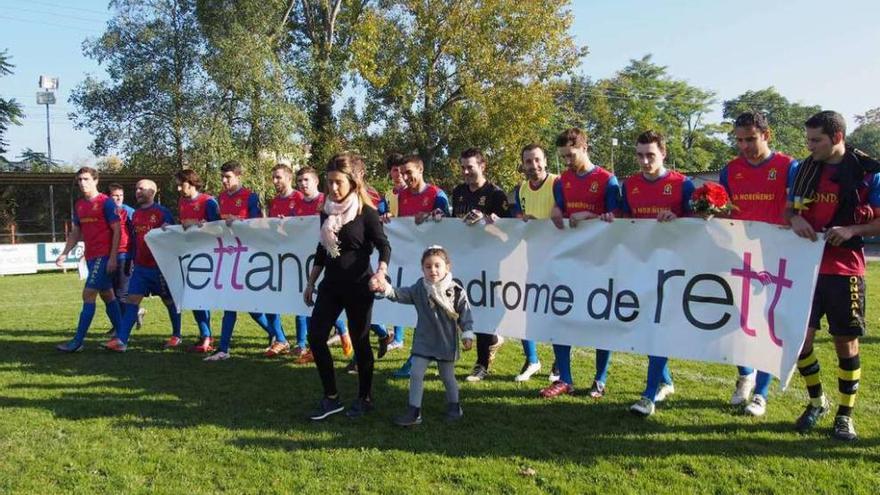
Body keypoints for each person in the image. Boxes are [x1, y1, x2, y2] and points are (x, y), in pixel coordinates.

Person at [787, 110, 880, 441]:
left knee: (846, 342)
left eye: (817, 140)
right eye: (808, 139)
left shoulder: (869, 173)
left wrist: (853, 228)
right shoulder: (804, 169)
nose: (810, 146)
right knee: (800, 341)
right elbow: (790, 209)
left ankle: (845, 414)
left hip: (846, 270)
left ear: (837, 138)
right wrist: (795, 219)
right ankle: (816, 402)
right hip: (806, 269)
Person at [719, 111, 799, 416]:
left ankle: (761, 393)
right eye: (739, 140)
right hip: (738, 257)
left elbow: (796, 209)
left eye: (750, 139)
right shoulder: (730, 170)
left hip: (777, 259)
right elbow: (725, 210)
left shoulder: (788, 166)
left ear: (766, 135)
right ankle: (745, 375)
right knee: (738, 323)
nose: (744, 146)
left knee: (769, 325)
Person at [610, 131, 692, 416]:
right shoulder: (629, 185)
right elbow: (622, 218)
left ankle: (648, 396)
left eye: (651, 155)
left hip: (674, 270)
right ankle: (665, 381)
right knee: (646, 327)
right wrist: (612, 217)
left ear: (663, 154)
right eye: (640, 155)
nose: (644, 161)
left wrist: (679, 219)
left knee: (659, 327)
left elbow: (699, 225)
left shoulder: (682, 185)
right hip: (640, 266)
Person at [304, 153, 391, 421]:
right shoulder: (326, 211)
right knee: (316, 336)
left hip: (359, 286)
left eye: (338, 182)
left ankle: (364, 398)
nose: (333, 188)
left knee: (360, 341)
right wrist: (311, 282)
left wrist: (381, 272)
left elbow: (383, 245)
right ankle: (331, 398)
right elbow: (322, 248)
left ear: (352, 182)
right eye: (329, 182)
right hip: (331, 285)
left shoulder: (366, 213)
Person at [542, 128, 620, 399]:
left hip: (599, 262)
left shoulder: (607, 180)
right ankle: (564, 378)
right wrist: (555, 210)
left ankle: (599, 379)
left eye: (570, 155)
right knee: (561, 315)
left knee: (600, 320)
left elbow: (618, 218)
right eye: (562, 156)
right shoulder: (562, 180)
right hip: (569, 261)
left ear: (584, 148)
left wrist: (592, 215)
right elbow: (560, 207)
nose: (566, 161)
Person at [372, 246, 474, 426]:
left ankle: (454, 406)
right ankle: (414, 412)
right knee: (416, 373)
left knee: (447, 376)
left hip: (446, 341)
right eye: (428, 266)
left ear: (447, 267)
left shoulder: (455, 290)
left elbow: (465, 312)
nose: (433, 270)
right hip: (424, 340)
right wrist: (385, 289)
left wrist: (467, 333)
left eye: (437, 266)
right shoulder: (420, 287)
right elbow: (400, 294)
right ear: (422, 268)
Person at [205, 160, 284, 361]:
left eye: (228, 177)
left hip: (250, 257)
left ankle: (280, 337)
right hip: (229, 257)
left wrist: (240, 222)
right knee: (230, 304)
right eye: (222, 177)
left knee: (257, 307)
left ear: (239, 177)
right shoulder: (220, 198)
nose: (224, 181)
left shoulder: (250, 197)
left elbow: (258, 225)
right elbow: (215, 224)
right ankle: (223, 349)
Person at [389, 154, 452, 378]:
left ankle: (419, 359)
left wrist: (436, 215)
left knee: (432, 315)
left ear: (421, 169)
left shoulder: (437, 194)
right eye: (402, 173)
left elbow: (448, 220)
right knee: (421, 314)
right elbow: (400, 224)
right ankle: (419, 358)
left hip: (434, 269)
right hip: (411, 262)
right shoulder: (402, 195)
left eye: (409, 172)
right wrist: (389, 219)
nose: (405, 177)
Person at [450, 147, 509, 382]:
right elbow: (454, 223)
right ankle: (494, 340)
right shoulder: (458, 192)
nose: (465, 171)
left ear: (482, 166)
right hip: (463, 259)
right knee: (459, 307)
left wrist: (491, 222)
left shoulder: (495, 194)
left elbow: (508, 233)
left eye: (470, 167)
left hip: (489, 262)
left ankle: (481, 364)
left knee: (483, 310)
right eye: (463, 167)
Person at [101, 180, 178, 351]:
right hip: (140, 267)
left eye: (141, 189)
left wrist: (169, 229)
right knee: (131, 301)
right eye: (136, 189)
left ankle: (176, 336)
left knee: (169, 301)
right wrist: (132, 259)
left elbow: (174, 235)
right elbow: (135, 240)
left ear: (152, 192)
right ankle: (122, 341)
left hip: (160, 266)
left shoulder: (162, 212)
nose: (137, 191)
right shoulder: (135, 215)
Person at [55, 167, 123, 352]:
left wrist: (112, 257)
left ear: (95, 181)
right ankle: (122, 337)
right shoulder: (79, 205)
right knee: (107, 294)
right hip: (91, 256)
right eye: (79, 180)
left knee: (88, 294)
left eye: (86, 179)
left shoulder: (106, 203)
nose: (82, 183)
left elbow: (117, 229)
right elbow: (76, 232)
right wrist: (65, 253)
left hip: (104, 255)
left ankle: (78, 342)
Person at [290, 166, 353, 364]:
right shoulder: (297, 202)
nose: (302, 184)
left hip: (333, 262)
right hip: (301, 258)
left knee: (330, 307)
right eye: (299, 181)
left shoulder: (326, 202)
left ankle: (346, 334)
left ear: (317, 181)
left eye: (306, 180)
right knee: (304, 305)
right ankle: (307, 346)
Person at [509, 143, 557, 382]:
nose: (533, 165)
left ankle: (559, 364)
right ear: (523, 164)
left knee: (558, 312)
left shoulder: (558, 184)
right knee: (523, 311)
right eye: (528, 161)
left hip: (558, 259)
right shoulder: (522, 189)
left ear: (545, 160)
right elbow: (518, 217)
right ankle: (532, 360)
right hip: (530, 259)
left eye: (537, 160)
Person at [175, 169, 221, 352]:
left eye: (181, 184)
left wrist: (198, 226)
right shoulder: (181, 202)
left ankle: (207, 337)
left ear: (191, 182)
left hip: (209, 257)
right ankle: (205, 335)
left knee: (200, 297)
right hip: (190, 255)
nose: (178, 188)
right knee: (193, 297)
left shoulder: (208, 202)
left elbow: (218, 229)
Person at [263, 163, 305, 358]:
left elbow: (306, 225)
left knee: (301, 300)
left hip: (298, 257)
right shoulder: (273, 202)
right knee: (271, 300)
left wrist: (290, 223)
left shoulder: (299, 198)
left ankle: (302, 342)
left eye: (278, 177)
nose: (275, 181)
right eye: (273, 177)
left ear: (289, 178)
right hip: (278, 257)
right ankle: (280, 339)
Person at [381, 152, 408, 354]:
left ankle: (399, 337)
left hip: (410, 248)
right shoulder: (388, 195)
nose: (397, 173)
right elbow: (378, 213)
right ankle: (396, 336)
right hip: (393, 248)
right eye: (394, 169)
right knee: (394, 288)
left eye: (400, 170)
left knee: (404, 288)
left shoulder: (412, 192)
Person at [107, 183, 138, 334]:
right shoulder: (105, 210)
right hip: (108, 255)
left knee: (121, 293)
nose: (118, 198)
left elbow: (136, 234)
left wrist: (134, 255)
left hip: (125, 256)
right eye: (115, 195)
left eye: (121, 195)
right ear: (109, 196)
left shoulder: (129, 212)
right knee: (109, 292)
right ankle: (122, 321)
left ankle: (123, 328)